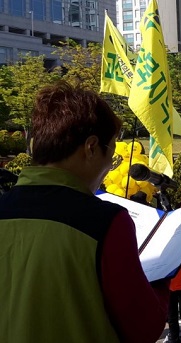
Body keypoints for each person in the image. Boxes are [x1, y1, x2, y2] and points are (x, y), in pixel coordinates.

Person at [0, 82, 170, 342]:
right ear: (91, 148)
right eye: (112, 154)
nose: (108, 168)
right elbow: (144, 328)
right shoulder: (106, 222)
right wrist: (162, 278)